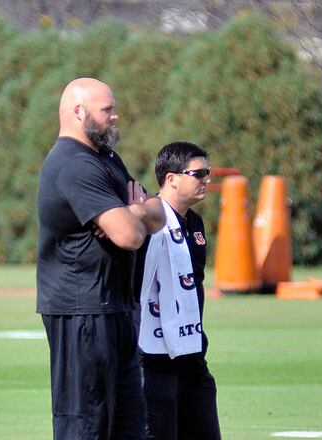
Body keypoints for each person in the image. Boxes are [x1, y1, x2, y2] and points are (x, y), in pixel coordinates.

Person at [36, 77, 166, 440]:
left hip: (116, 310)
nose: (115, 116)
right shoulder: (74, 164)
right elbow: (128, 237)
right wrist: (133, 216)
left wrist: (134, 212)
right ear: (79, 112)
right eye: (107, 109)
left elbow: (157, 213)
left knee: (128, 427)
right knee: (86, 426)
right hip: (83, 313)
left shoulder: (106, 159)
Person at [135, 141, 221, 440]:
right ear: (171, 179)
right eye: (198, 173)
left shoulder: (195, 222)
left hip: (192, 353)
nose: (206, 179)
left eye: (207, 172)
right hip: (153, 358)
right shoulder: (148, 220)